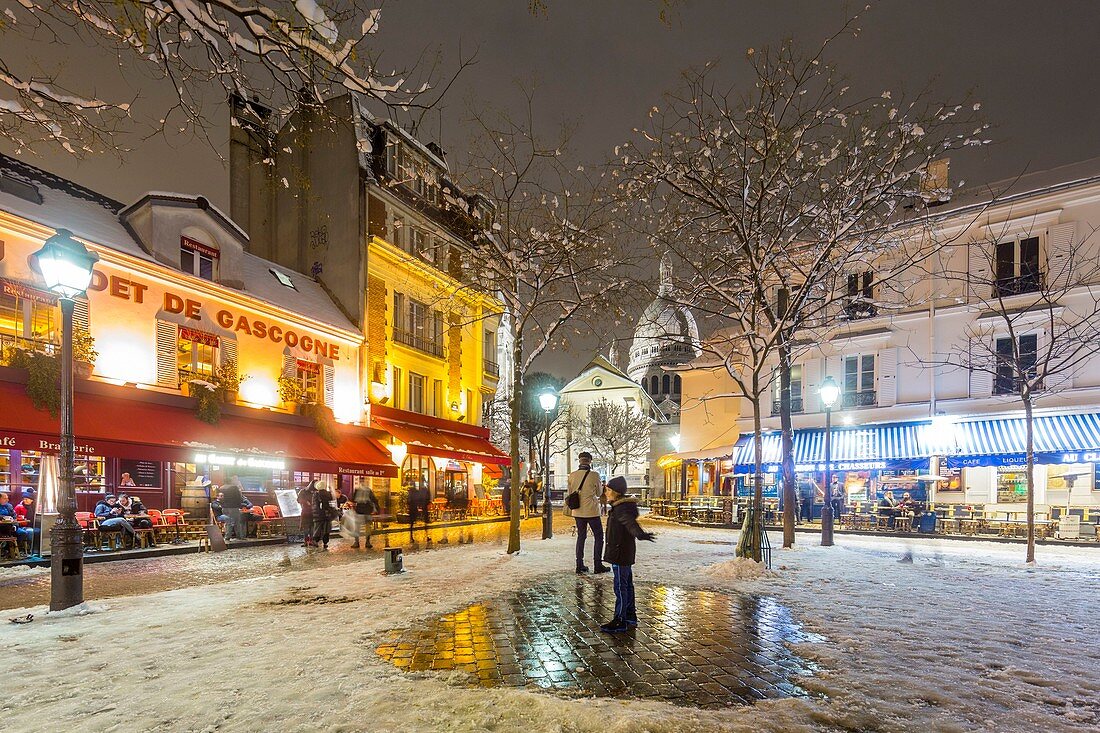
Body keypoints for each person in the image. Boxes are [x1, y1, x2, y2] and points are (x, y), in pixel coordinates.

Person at [600, 475, 656, 633]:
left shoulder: (621, 509)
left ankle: (620, 619)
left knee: (620, 587)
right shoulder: (620, 506)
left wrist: (640, 534)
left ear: (615, 492)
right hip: (623, 551)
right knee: (627, 585)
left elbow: (630, 523)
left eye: (608, 489)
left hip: (619, 553)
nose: (606, 492)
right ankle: (630, 615)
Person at [568, 451, 608, 575]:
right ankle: (597, 564)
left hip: (578, 511)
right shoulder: (594, 475)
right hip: (591, 511)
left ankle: (579, 565)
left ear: (579, 461)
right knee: (599, 537)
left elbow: (570, 492)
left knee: (581, 537)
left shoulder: (572, 475)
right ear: (590, 461)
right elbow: (599, 494)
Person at [347, 480, 380, 549]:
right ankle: (367, 542)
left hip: (359, 510)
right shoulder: (369, 491)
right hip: (367, 510)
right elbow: (374, 500)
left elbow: (352, 499)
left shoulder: (357, 490)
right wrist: (376, 508)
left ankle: (357, 542)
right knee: (367, 527)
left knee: (357, 527)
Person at [311, 480, 335, 550]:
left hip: (318, 514)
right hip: (326, 514)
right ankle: (325, 543)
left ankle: (315, 540)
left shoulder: (315, 494)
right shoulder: (328, 494)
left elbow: (314, 505)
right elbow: (332, 501)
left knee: (317, 528)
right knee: (326, 529)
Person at [297, 481, 318, 547]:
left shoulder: (316, 492)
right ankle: (306, 541)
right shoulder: (303, 491)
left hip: (314, 512)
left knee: (312, 528)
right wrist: (306, 502)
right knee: (306, 528)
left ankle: (311, 541)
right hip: (306, 512)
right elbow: (298, 500)